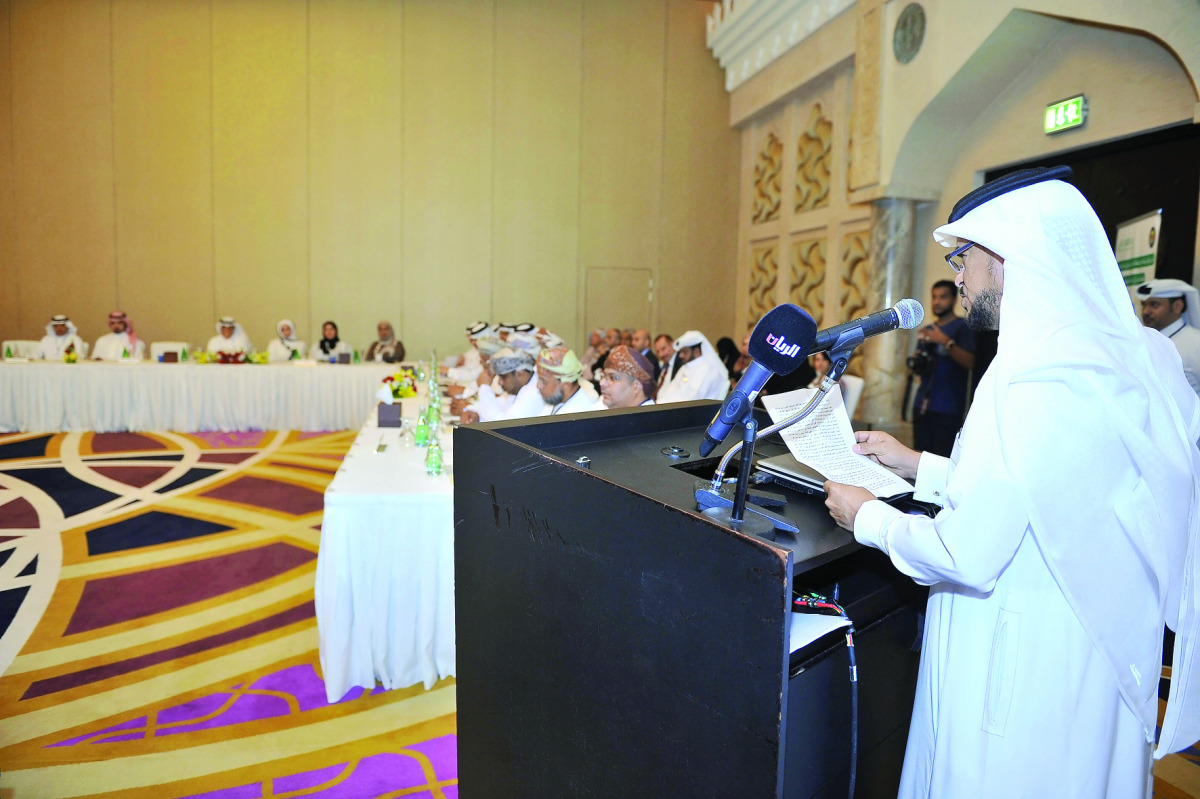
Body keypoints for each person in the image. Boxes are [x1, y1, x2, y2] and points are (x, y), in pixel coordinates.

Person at [822, 167, 1200, 797]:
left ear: (1003, 257)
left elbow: (967, 553)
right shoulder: (1120, 354)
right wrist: (923, 467)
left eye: (961, 258)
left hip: (1019, 662)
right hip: (1088, 651)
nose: (959, 277)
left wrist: (868, 516)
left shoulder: (1030, 378)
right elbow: (1057, 492)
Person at [910, 278, 976, 457]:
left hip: (948, 407)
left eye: (943, 297)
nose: (937, 302)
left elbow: (969, 362)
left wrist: (945, 341)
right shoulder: (927, 329)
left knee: (941, 459)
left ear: (954, 299)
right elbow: (919, 367)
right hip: (922, 406)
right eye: (934, 297)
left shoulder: (964, 327)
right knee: (919, 457)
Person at [1136, 278, 1200, 396]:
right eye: (1143, 305)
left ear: (1177, 306)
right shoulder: (1141, 341)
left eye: (1154, 305)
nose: (1145, 311)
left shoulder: (1196, 343)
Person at [460, 347, 545, 424]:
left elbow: (502, 425)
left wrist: (484, 387)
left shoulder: (535, 391)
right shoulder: (521, 388)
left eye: (503, 377)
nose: (499, 382)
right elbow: (501, 404)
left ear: (520, 374)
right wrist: (473, 411)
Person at [656, 331, 729, 403]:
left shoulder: (709, 369)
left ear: (696, 351)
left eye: (684, 352)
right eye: (680, 352)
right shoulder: (685, 367)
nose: (680, 355)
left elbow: (694, 398)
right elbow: (671, 389)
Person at [536, 347, 598, 415]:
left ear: (566, 384)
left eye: (544, 382)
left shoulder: (583, 412)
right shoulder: (556, 398)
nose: (538, 386)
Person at [593, 345, 657, 409]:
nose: (602, 383)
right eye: (604, 376)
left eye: (614, 378)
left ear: (636, 386)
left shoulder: (651, 418)